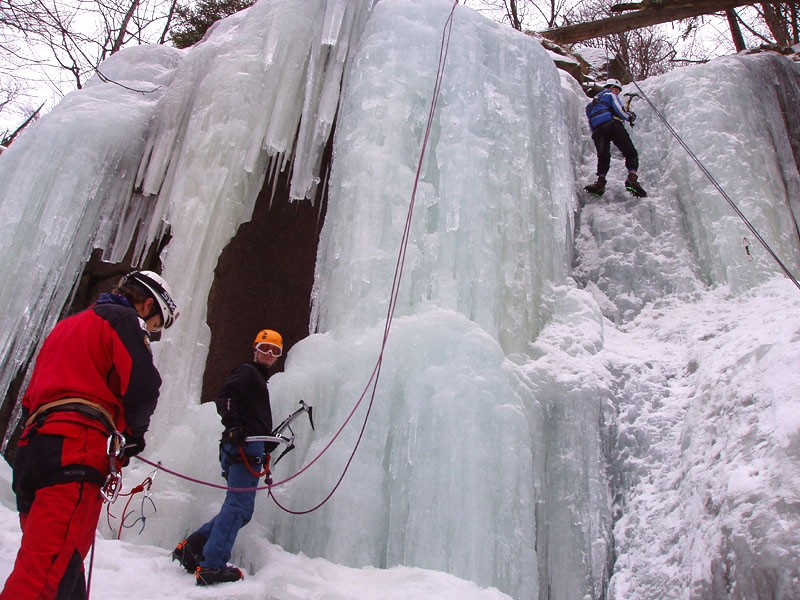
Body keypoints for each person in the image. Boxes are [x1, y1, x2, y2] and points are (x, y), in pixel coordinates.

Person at [0, 270, 179, 600]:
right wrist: (134, 435)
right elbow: (143, 386)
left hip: (34, 449)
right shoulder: (124, 319)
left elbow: (30, 401)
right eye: (155, 326)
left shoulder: (69, 325)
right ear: (147, 305)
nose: (152, 334)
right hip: (75, 447)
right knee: (41, 576)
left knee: (62, 566)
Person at [172, 329, 282, 586]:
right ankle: (212, 565)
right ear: (255, 348)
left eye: (274, 351)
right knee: (238, 507)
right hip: (242, 448)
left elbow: (249, 414)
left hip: (249, 448)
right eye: (264, 348)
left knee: (239, 509)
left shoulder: (258, 380)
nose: (268, 354)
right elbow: (227, 396)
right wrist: (233, 426)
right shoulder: (248, 372)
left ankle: (191, 547)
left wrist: (266, 442)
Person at [584, 78, 647, 198]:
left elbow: (590, 119)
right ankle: (632, 178)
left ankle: (600, 183)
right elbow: (620, 111)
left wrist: (595, 134)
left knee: (603, 156)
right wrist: (629, 116)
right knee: (631, 153)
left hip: (597, 131)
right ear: (612, 88)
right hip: (612, 125)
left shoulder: (590, 105)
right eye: (617, 90)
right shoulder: (610, 94)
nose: (617, 93)